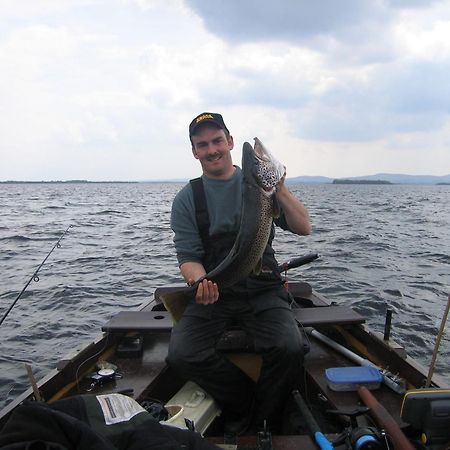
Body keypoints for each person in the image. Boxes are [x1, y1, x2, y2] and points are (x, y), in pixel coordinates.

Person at [167, 112, 312, 434]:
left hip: (264, 288)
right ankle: (251, 405)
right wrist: (197, 283)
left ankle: (262, 417)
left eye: (217, 140)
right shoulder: (187, 198)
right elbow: (188, 256)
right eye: (202, 144)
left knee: (289, 347)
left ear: (229, 142)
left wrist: (280, 188)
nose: (212, 149)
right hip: (215, 291)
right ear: (194, 152)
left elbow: (304, 227)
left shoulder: (263, 187)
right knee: (181, 355)